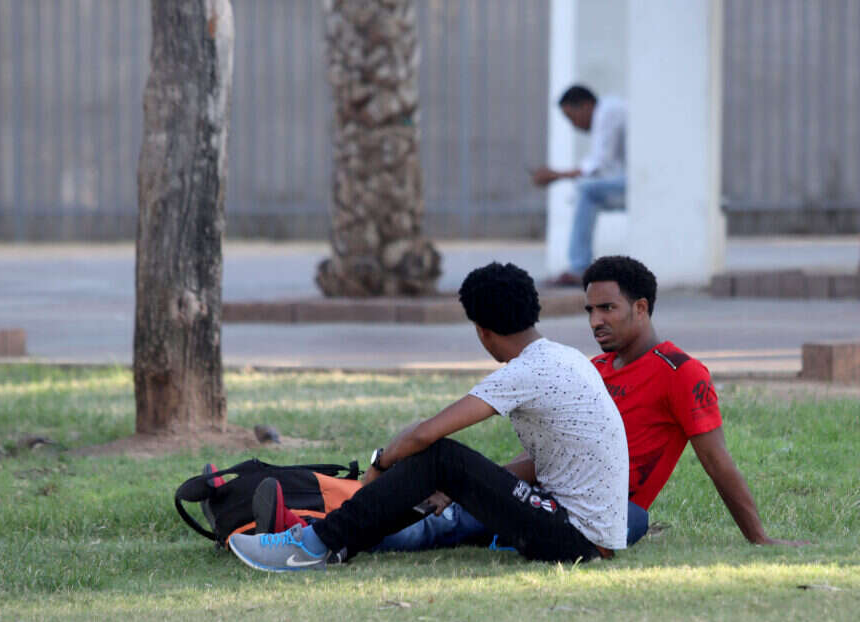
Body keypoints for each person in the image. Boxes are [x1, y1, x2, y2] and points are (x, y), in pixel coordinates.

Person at [375, 256, 807, 551]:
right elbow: (547, 458)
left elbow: (717, 460)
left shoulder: (681, 372)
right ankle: (356, 519)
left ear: (641, 308)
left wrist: (758, 537)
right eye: (589, 310)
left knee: (633, 519)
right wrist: (472, 486)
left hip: (608, 511)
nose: (595, 320)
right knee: (441, 516)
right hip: (545, 497)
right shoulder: (589, 368)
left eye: (607, 308)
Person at [227, 262, 630, 572]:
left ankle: (312, 546)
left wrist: (380, 462)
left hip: (575, 539)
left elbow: (424, 435)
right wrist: (461, 488)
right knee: (444, 472)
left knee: (440, 457)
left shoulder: (526, 372)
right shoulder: (566, 357)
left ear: (482, 330)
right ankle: (328, 538)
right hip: (582, 532)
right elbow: (548, 461)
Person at [531, 85, 626, 287]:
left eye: (571, 117)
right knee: (585, 193)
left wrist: (556, 175)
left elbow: (599, 165)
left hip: (640, 184)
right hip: (633, 181)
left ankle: (578, 267)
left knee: (587, 191)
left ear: (586, 105)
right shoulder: (608, 110)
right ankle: (579, 265)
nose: (573, 125)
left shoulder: (607, 112)